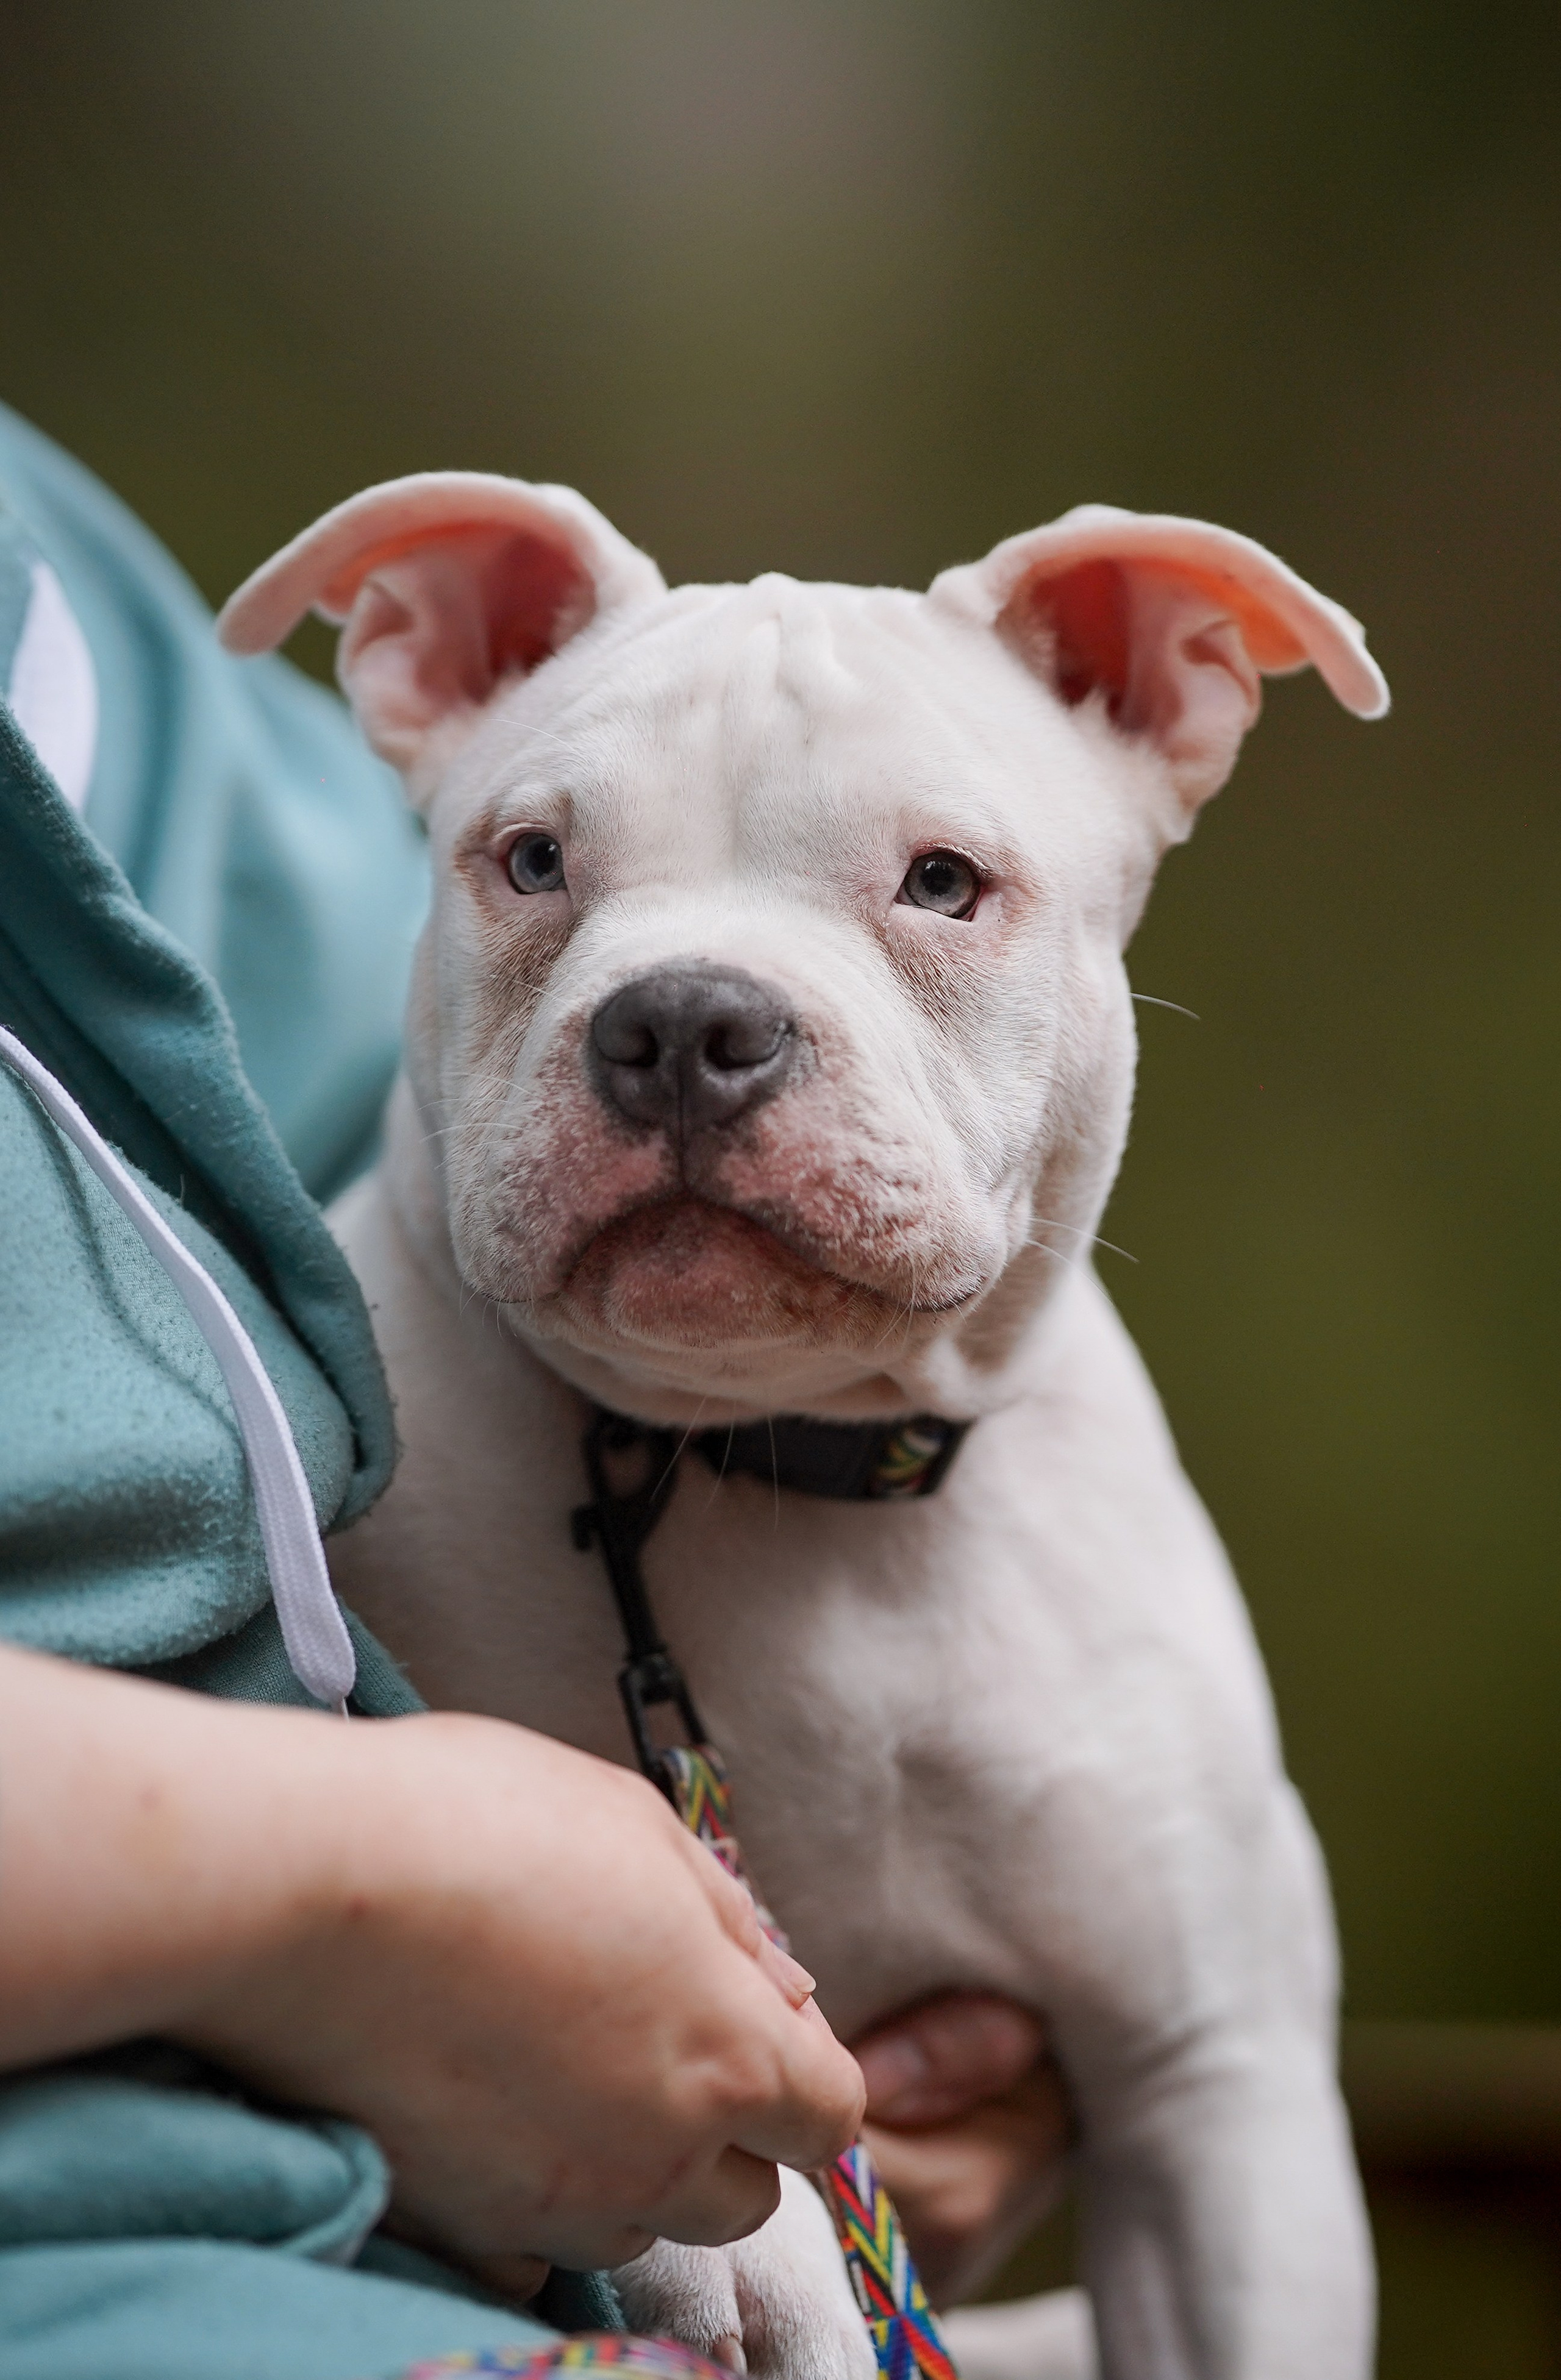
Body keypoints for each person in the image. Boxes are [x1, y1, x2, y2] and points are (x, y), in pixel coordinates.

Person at [0, 403, 1065, 2380]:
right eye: (546, 869)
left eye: (934, 882)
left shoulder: (60, 592)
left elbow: (408, 1078)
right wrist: (356, 1894)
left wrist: (806, 2056)